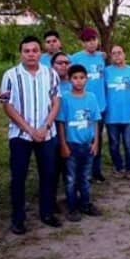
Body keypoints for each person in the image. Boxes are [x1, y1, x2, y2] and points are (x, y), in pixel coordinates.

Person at [1, 36, 62, 235]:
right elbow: (7, 106)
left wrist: (45, 126)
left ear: (40, 52)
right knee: (19, 177)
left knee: (49, 175)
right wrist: (29, 129)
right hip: (21, 135)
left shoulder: (51, 74)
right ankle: (18, 219)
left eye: (35, 50)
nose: (31, 54)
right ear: (21, 53)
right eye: (26, 51)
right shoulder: (10, 75)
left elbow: (56, 102)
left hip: (47, 133)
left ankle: (47, 213)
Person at [57, 64, 102, 222]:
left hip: (87, 145)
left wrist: (96, 142)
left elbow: (96, 121)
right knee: (70, 179)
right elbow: (61, 123)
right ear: (69, 80)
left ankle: (86, 204)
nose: (79, 81)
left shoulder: (91, 97)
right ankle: (72, 207)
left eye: (82, 78)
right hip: (71, 146)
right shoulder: (65, 99)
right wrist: (63, 144)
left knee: (86, 177)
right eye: (75, 78)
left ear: (86, 79)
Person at [70, 28, 107, 182]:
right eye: (88, 41)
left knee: (97, 139)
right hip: (82, 103)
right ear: (83, 43)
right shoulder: (76, 58)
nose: (91, 43)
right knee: (83, 139)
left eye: (94, 39)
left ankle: (96, 171)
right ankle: (82, 172)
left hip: (101, 105)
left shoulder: (101, 57)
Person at [104, 45, 130, 179]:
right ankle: (118, 167)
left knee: (129, 143)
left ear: (124, 54)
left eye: (119, 52)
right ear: (111, 56)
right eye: (114, 53)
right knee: (114, 144)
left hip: (129, 115)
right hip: (111, 116)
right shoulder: (106, 71)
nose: (117, 55)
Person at [51, 52, 72, 211]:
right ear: (52, 66)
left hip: (72, 131)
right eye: (59, 63)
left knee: (70, 167)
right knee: (52, 167)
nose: (63, 65)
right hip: (52, 131)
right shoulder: (48, 84)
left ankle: (71, 197)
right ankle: (51, 201)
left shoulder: (75, 83)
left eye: (66, 62)